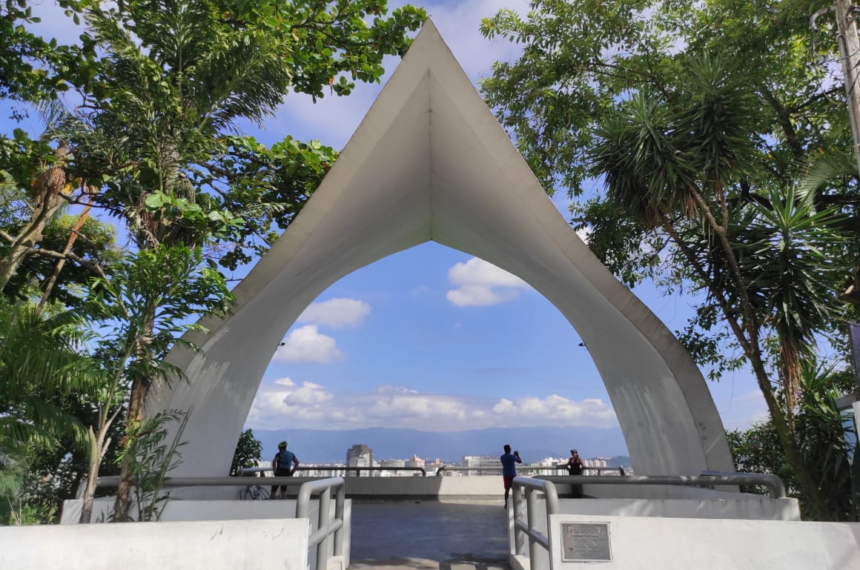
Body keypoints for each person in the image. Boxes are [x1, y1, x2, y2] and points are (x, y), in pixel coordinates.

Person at [500, 444, 522, 509]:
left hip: (505, 474)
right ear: (509, 449)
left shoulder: (502, 457)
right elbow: (520, 461)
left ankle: (506, 504)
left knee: (507, 490)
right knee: (515, 489)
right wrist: (517, 455)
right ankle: (516, 503)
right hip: (512, 475)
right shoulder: (512, 456)